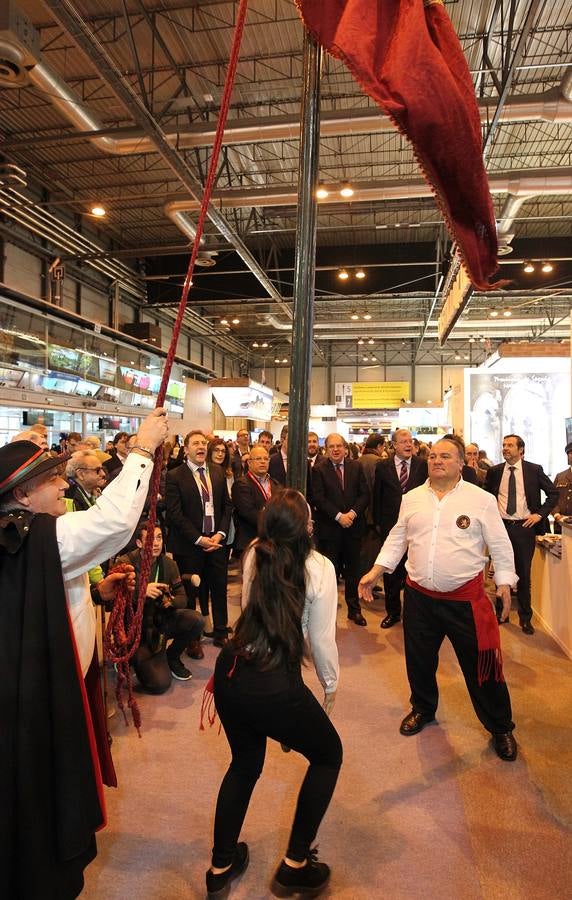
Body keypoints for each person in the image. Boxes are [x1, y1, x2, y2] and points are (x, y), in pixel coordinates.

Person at [0, 409, 168, 899]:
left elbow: (39, 599)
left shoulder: (28, 539)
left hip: (45, 685)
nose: (64, 488)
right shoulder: (33, 537)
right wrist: (142, 451)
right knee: (39, 795)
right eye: (52, 480)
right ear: (21, 495)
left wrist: (96, 596)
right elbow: (113, 524)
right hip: (34, 701)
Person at [206, 489, 341, 899]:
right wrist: (330, 687)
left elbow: (250, 609)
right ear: (307, 525)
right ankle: (296, 865)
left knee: (245, 764)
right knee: (328, 754)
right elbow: (320, 641)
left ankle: (220, 866)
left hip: (231, 671)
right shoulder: (319, 566)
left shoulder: (253, 552)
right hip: (274, 684)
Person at [359, 437, 519, 762]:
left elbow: (500, 547)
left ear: (462, 463)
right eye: (432, 455)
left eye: (445, 456)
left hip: (465, 602)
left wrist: (504, 583)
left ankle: (500, 727)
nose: (436, 460)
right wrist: (376, 571)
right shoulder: (412, 498)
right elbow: (397, 538)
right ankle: (422, 709)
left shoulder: (481, 500)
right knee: (419, 662)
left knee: (481, 669)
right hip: (419, 599)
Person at [485, 434, 558, 634]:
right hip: (500, 528)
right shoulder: (495, 471)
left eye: (510, 445)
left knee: (523, 575)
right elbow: (487, 497)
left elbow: (553, 494)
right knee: (500, 572)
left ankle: (525, 618)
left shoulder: (534, 470)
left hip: (523, 528)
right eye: (504, 445)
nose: (505, 448)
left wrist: (539, 515)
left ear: (521, 450)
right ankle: (502, 614)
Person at [166, 430, 232, 647]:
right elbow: (175, 514)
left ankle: (221, 630)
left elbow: (226, 507)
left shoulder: (217, 472)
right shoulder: (175, 476)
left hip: (217, 542)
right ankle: (192, 637)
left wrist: (220, 534)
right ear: (186, 449)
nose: (201, 446)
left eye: (203, 443)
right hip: (189, 545)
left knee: (219, 587)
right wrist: (198, 539)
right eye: (195, 443)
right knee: (191, 592)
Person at [117, 523, 203, 690]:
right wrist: (142, 592)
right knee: (159, 684)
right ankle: (127, 655)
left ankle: (172, 657)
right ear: (139, 543)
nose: (156, 543)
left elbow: (182, 598)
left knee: (196, 620)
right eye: (150, 539)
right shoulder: (125, 563)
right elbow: (115, 599)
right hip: (136, 630)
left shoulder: (169, 564)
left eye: (159, 538)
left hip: (160, 624)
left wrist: (168, 600)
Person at [312, 432, 370, 626]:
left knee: (353, 572)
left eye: (339, 446)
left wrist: (351, 514)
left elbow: (364, 494)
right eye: (331, 447)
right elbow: (318, 498)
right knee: (330, 573)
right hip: (330, 530)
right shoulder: (319, 470)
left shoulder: (357, 466)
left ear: (345, 448)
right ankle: (328, 614)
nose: (335, 450)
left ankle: (354, 611)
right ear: (326, 450)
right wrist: (339, 517)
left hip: (353, 528)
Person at [372, 429, 427, 628]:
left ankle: (415, 615)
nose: (408, 444)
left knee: (415, 572)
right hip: (390, 527)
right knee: (391, 572)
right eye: (403, 441)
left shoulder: (422, 465)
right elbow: (377, 496)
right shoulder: (383, 466)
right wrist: (379, 524)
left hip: (417, 527)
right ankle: (393, 613)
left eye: (410, 441)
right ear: (394, 445)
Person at [231, 444, 280, 555]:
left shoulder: (275, 483)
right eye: (258, 459)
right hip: (250, 543)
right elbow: (248, 513)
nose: (263, 461)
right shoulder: (241, 484)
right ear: (249, 463)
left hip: (273, 543)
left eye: (265, 459)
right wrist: (276, 524)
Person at [552, 441, 572, 533]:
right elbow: (552, 498)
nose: (571, 455)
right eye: (570, 453)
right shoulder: (560, 476)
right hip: (561, 525)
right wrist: (557, 515)